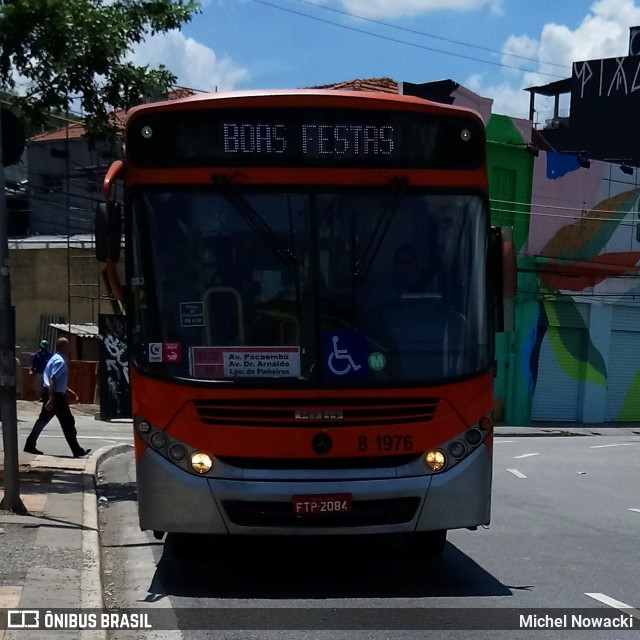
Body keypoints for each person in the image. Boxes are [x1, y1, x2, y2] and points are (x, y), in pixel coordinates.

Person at [24, 337, 91, 458]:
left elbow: (57, 380)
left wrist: (69, 391)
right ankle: (76, 450)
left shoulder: (54, 358)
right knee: (68, 422)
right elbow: (52, 379)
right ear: (64, 347)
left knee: (43, 420)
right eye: (68, 346)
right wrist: (51, 399)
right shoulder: (60, 361)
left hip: (54, 395)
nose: (70, 348)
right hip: (56, 397)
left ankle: (30, 444)